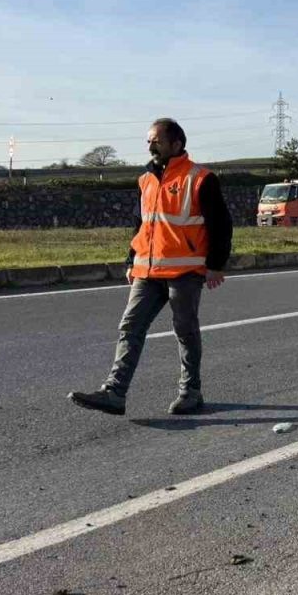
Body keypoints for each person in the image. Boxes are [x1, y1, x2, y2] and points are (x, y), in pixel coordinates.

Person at [67, 118, 232, 416]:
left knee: (185, 330)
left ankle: (191, 392)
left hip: (184, 271)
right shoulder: (146, 180)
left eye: (155, 140)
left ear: (176, 144)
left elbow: (221, 224)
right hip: (147, 270)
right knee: (130, 327)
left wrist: (216, 265)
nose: (150, 145)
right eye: (149, 141)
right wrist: (131, 260)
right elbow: (141, 223)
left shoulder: (200, 178)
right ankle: (114, 393)